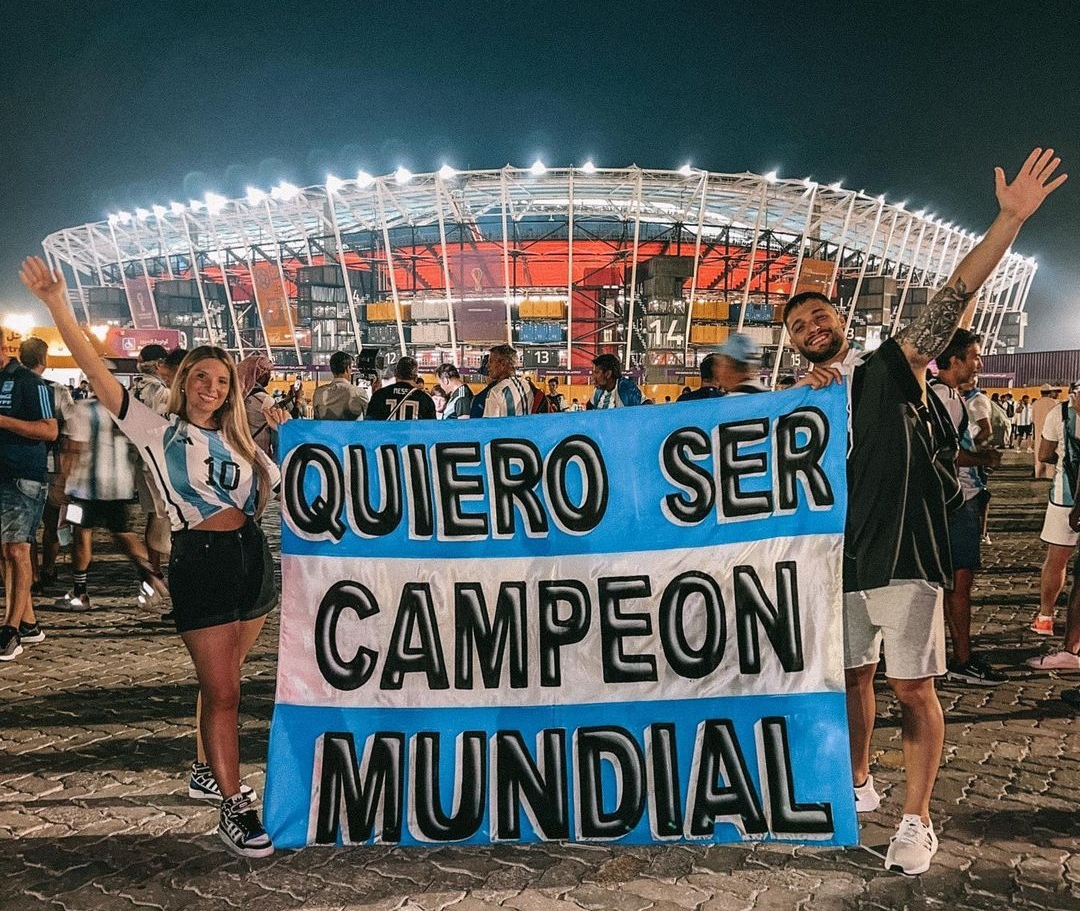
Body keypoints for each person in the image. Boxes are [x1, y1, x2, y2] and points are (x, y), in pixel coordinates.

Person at [783, 148, 1065, 875]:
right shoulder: (795, 406)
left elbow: (956, 291)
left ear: (839, 319)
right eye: (797, 326)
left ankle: (916, 820)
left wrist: (1007, 220)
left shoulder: (892, 366)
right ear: (791, 345)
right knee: (850, 678)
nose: (811, 326)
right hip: (837, 561)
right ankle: (855, 782)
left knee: (912, 687)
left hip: (905, 553)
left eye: (819, 314)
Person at [21, 254, 287, 858]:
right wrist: (59, 305)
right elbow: (96, 367)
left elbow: (283, 487)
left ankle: (202, 766)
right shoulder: (153, 428)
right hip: (201, 561)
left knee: (225, 681)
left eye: (221, 383)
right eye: (201, 379)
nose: (210, 390)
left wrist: (281, 426)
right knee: (223, 693)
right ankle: (233, 804)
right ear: (182, 381)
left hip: (251, 562)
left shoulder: (242, 438)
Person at [929, 331, 1004, 685]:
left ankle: (942, 657)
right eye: (975, 356)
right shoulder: (948, 399)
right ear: (955, 360)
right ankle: (962, 659)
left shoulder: (933, 393)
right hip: (958, 500)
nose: (980, 363)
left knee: (945, 583)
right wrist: (984, 457)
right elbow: (944, 453)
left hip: (942, 501)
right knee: (960, 583)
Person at [0, 333, 57, 660]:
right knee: (5, 550)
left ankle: (10, 631)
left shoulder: (31, 383)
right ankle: (29, 624)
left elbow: (50, 430)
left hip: (24, 476)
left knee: (17, 549)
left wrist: (4, 421)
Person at [19, 337, 77, 598]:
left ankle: (30, 574)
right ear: (45, 359)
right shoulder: (58, 391)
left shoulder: (9, 386)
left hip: (19, 465)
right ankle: (49, 568)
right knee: (52, 523)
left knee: (25, 526)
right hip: (53, 465)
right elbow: (72, 430)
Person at [1028, 382, 1080, 638]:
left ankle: (1045, 617)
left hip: (1065, 496)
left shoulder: (1059, 413)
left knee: (1057, 559)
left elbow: (1044, 453)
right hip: (1067, 496)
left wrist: (1061, 461)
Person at [130, 344, 173, 584]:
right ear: (159, 364)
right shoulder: (160, 391)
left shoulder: (132, 387)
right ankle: (161, 569)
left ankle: (154, 568)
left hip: (139, 459)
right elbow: (163, 427)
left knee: (152, 515)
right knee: (163, 515)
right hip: (157, 459)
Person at [367, 356, 436, 420]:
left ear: (395, 373)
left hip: (386, 432)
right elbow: (431, 428)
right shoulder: (424, 399)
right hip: (413, 433)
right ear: (415, 378)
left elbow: (370, 423)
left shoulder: (380, 395)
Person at [472, 345, 531, 418]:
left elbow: (489, 425)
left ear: (503, 364)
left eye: (490, 361)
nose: (487, 366)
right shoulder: (527, 387)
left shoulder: (496, 392)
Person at [236, 354, 277, 456]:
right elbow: (286, 424)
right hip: (259, 454)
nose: (269, 376)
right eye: (267, 373)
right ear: (258, 374)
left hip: (237, 450)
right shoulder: (264, 399)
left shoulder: (235, 397)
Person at [312, 351, 370, 421]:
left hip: (326, 431)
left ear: (332, 369)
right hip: (352, 431)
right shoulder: (358, 392)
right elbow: (370, 413)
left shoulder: (319, 392)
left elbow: (316, 417)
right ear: (348, 368)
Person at [1032, 385, 1060, 476]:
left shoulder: (1035, 403)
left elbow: (1032, 419)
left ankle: (1039, 473)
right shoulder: (1055, 403)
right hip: (1051, 432)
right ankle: (1050, 474)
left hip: (1038, 432)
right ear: (1050, 392)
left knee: (1038, 454)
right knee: (1050, 452)